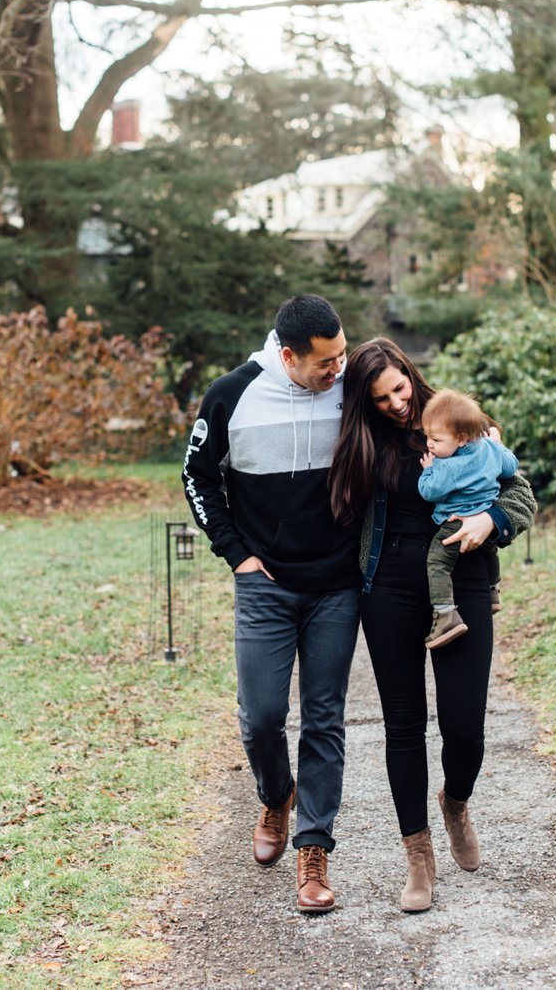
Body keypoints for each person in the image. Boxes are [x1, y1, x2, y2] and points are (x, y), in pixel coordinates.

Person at [328, 338, 536, 914]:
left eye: (398, 387)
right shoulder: (361, 441)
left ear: (409, 374)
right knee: (403, 725)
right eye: (380, 398)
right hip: (389, 585)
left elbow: (520, 492)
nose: (395, 403)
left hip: (462, 577)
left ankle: (456, 802)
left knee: (465, 725)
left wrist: (490, 520)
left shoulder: (456, 417)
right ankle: (418, 855)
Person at [182, 293, 360, 914]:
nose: (339, 369)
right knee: (260, 718)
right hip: (266, 584)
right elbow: (196, 476)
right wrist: (236, 554)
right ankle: (276, 793)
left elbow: (415, 419)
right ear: (287, 355)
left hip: (337, 585)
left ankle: (314, 852)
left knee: (324, 717)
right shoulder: (231, 395)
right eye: (325, 362)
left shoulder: (352, 386)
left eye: (343, 354)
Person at [417, 389, 517, 650]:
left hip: (456, 524)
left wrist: (428, 471)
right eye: (427, 436)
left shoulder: (446, 466)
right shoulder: (489, 450)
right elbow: (510, 467)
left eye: (436, 439)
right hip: (484, 522)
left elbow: (429, 492)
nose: (429, 444)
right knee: (489, 551)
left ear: (460, 439)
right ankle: (493, 590)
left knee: (437, 562)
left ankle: (445, 614)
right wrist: (497, 444)